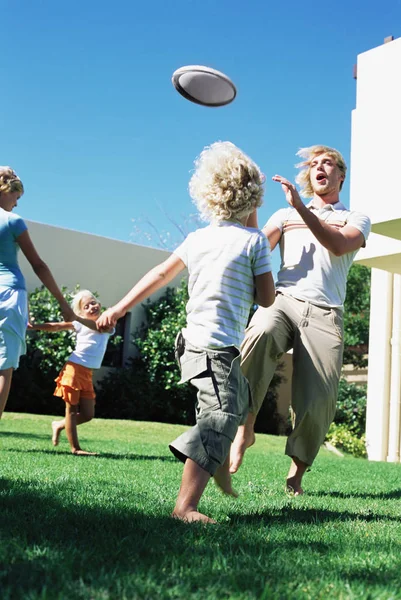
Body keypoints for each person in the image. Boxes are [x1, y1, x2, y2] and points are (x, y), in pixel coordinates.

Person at [97, 141, 275, 523]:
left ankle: (220, 466)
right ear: (253, 197)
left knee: (237, 402)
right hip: (216, 346)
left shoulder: (198, 239)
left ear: (209, 193)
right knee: (222, 414)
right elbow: (267, 298)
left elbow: (159, 274)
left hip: (191, 343)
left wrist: (118, 308)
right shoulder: (255, 241)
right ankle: (185, 507)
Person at [229, 145, 371, 495]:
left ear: (341, 175)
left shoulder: (355, 218)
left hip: (326, 312)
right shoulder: (285, 214)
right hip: (284, 300)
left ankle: (296, 474)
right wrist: (254, 204)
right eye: (314, 164)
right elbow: (258, 248)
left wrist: (300, 210)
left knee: (318, 400)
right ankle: (245, 428)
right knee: (260, 331)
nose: (319, 167)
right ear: (309, 176)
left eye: (327, 163)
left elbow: (338, 245)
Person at [0, 167, 74, 419]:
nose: (17, 202)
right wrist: (63, 303)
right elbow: (38, 265)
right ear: (6, 190)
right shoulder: (12, 221)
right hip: (9, 294)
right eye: (16, 196)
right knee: (4, 368)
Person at [30, 290, 114, 455]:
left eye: (93, 303)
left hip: (87, 373)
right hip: (74, 369)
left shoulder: (107, 324)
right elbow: (56, 326)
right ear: (81, 312)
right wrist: (34, 326)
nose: (92, 307)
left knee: (88, 414)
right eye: (86, 306)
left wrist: (76, 318)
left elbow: (97, 327)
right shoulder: (79, 323)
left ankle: (59, 425)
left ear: (100, 304)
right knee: (71, 411)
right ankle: (75, 448)